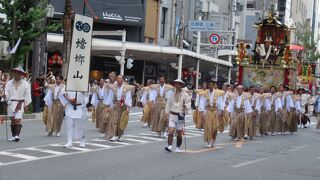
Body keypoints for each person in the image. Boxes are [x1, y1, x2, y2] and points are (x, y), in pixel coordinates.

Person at [5, 66, 32, 142]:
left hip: (20, 103)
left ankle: (17, 135)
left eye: (19, 73)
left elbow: (27, 95)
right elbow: (7, 93)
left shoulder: (26, 83)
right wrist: (4, 96)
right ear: (14, 73)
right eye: (16, 73)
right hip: (11, 102)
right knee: (12, 120)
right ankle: (13, 135)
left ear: (22, 74)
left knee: (18, 119)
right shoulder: (9, 83)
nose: (18, 74)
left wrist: (26, 105)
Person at [164, 79, 191, 153]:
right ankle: (169, 146)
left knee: (179, 132)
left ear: (181, 85)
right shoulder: (172, 94)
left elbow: (188, 103)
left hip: (180, 115)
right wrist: (166, 113)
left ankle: (178, 147)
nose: (177, 85)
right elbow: (168, 104)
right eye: (176, 84)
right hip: (172, 114)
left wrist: (185, 106)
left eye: (178, 84)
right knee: (171, 130)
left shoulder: (185, 94)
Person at [105, 75, 133, 141]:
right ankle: (113, 135)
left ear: (123, 79)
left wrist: (128, 108)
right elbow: (110, 97)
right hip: (115, 105)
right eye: (117, 78)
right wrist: (108, 106)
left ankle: (120, 136)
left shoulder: (126, 88)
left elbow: (128, 98)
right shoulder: (113, 87)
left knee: (121, 121)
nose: (118, 79)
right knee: (114, 120)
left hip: (123, 106)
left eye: (120, 78)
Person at [198, 80, 224, 147]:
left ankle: (213, 140)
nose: (210, 86)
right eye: (209, 84)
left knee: (215, 128)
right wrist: (202, 112)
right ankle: (209, 141)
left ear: (214, 85)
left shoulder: (218, 93)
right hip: (208, 111)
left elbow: (220, 102)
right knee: (208, 127)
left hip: (215, 111)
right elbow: (202, 102)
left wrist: (221, 111)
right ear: (208, 85)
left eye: (212, 84)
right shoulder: (205, 93)